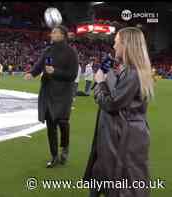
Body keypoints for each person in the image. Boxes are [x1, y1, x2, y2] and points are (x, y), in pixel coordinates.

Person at [84, 27, 154, 197]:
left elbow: (111, 103)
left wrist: (100, 82)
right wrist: (108, 75)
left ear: (126, 45)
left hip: (124, 138)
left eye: (116, 42)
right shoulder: (130, 70)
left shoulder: (132, 73)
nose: (114, 46)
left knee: (123, 185)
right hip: (123, 135)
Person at [24, 25, 79, 167]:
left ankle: (65, 147)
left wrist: (55, 71)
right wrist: (32, 73)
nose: (51, 34)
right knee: (50, 126)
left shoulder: (71, 53)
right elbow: (39, 65)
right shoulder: (48, 50)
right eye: (52, 32)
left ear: (63, 35)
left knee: (63, 122)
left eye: (55, 32)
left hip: (63, 93)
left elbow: (72, 76)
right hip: (48, 92)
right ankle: (54, 156)